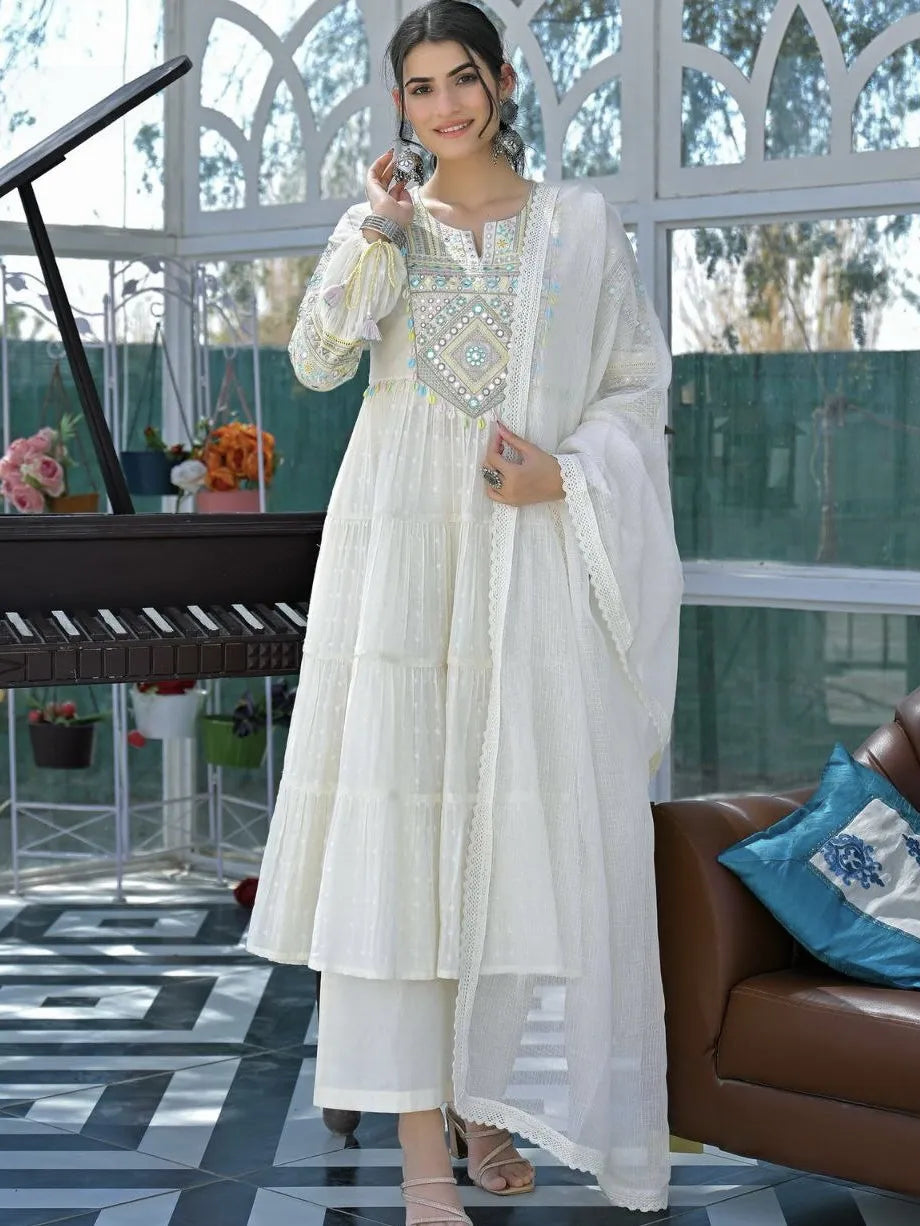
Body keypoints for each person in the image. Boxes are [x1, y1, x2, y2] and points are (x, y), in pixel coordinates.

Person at [245, 1, 683, 1221]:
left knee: (514, 833)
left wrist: (565, 474)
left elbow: (636, 387)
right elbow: (321, 361)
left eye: (463, 79)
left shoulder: (577, 227)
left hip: (524, 555)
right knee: (401, 845)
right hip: (397, 565)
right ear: (400, 106)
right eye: (421, 88)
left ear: (496, 81)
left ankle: (489, 1097)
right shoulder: (382, 224)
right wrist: (376, 230)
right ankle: (424, 1159)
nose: (446, 106)